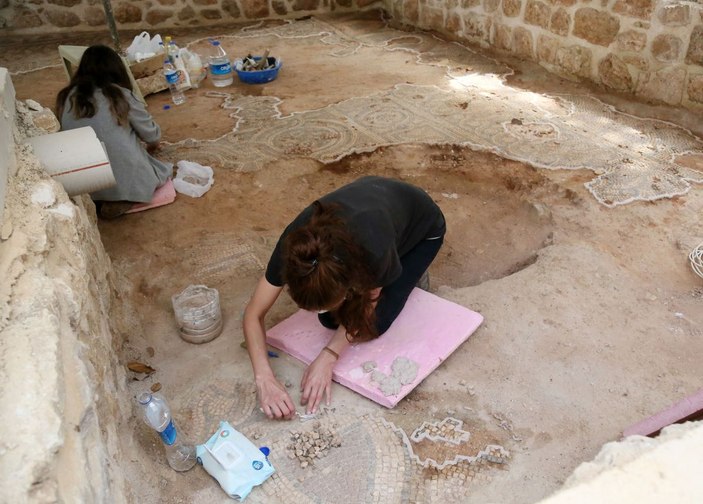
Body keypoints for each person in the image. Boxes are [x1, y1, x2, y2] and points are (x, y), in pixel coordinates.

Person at [243, 176, 446, 420]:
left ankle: (406, 271)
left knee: (371, 326)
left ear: (349, 286)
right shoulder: (295, 252)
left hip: (422, 231)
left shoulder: (373, 251)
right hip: (376, 205)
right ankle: (396, 272)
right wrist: (264, 379)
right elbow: (253, 314)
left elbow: (368, 303)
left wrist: (329, 356)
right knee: (331, 321)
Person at [56, 45, 172, 219]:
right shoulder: (119, 95)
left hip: (84, 184)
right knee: (161, 169)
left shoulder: (66, 97)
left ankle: (103, 198)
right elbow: (152, 135)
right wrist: (151, 147)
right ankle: (123, 198)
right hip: (122, 177)